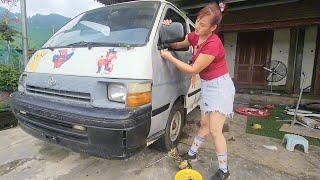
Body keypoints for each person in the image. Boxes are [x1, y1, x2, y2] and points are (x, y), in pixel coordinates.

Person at [160, 2, 235, 180]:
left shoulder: (213, 44)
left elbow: (193, 70)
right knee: (204, 125)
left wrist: (169, 57)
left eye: (203, 25)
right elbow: (180, 43)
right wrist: (166, 29)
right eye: (197, 21)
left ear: (213, 28)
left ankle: (224, 171)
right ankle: (192, 153)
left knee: (216, 130)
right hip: (208, 86)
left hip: (220, 87)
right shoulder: (195, 36)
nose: (198, 27)